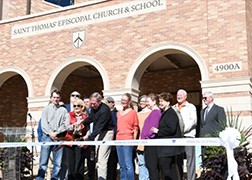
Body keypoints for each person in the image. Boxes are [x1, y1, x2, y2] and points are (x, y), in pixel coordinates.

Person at [78, 92, 114, 180]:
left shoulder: (104, 110)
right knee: (97, 158)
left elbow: (97, 128)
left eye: (94, 103)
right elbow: (91, 118)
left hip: (107, 133)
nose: (92, 105)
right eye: (91, 103)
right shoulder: (94, 108)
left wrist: (87, 141)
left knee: (102, 159)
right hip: (99, 132)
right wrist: (83, 121)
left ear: (100, 101)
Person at [151, 92, 184, 180]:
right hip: (167, 148)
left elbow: (172, 129)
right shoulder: (165, 113)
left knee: (165, 166)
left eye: (162, 101)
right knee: (171, 168)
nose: (160, 103)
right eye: (160, 101)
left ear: (168, 102)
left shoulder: (171, 113)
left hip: (169, 148)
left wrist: (158, 131)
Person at [36, 90, 67, 180]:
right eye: (54, 97)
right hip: (47, 137)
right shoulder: (46, 109)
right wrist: (50, 133)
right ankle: (40, 178)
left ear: (60, 98)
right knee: (43, 162)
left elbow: (65, 124)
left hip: (59, 137)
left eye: (57, 97)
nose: (55, 99)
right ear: (51, 98)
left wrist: (56, 132)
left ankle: (54, 178)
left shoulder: (63, 110)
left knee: (57, 163)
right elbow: (44, 124)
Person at [173, 89, 197, 180]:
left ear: (185, 96)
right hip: (178, 137)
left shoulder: (191, 107)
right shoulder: (174, 107)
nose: (179, 97)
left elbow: (193, 121)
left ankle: (191, 178)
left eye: (181, 95)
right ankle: (180, 178)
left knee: (190, 159)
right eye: (178, 95)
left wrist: (182, 130)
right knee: (178, 159)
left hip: (188, 136)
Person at [116, 93, 139, 180]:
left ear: (129, 101)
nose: (123, 102)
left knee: (128, 164)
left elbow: (135, 128)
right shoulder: (118, 113)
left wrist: (134, 141)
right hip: (118, 139)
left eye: (125, 100)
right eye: (122, 100)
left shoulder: (133, 112)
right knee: (121, 164)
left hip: (128, 139)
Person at [64, 99, 88, 180]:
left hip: (80, 139)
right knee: (70, 164)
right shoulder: (69, 115)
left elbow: (89, 131)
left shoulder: (85, 117)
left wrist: (84, 138)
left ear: (82, 107)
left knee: (79, 163)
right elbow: (67, 127)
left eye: (78, 106)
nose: (76, 107)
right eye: (74, 106)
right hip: (70, 139)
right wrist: (75, 125)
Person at [141, 93, 161, 180]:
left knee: (152, 167)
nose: (147, 103)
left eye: (148, 101)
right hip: (148, 142)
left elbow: (153, 128)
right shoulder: (153, 112)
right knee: (150, 167)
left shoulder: (156, 112)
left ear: (154, 102)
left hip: (151, 142)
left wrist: (147, 136)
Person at [200, 91, 226, 158]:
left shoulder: (219, 109)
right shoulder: (202, 111)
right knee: (204, 160)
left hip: (214, 140)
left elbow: (222, 125)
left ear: (211, 98)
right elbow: (202, 126)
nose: (203, 100)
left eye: (205, 98)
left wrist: (218, 138)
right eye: (203, 98)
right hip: (204, 141)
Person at [136, 95, 151, 180]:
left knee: (148, 163)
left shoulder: (150, 113)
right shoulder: (137, 114)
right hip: (139, 141)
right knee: (141, 163)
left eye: (144, 101)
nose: (142, 103)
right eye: (140, 101)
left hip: (148, 141)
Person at [83, 96, 96, 180]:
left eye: (87, 102)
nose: (86, 104)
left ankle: (92, 175)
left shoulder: (94, 112)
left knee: (91, 159)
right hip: (85, 138)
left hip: (93, 138)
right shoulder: (83, 113)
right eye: (84, 102)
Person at [106, 96, 118, 180]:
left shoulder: (115, 113)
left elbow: (115, 128)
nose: (107, 104)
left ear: (112, 103)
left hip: (113, 140)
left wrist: (114, 142)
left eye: (108, 102)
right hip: (106, 140)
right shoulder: (106, 113)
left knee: (112, 162)